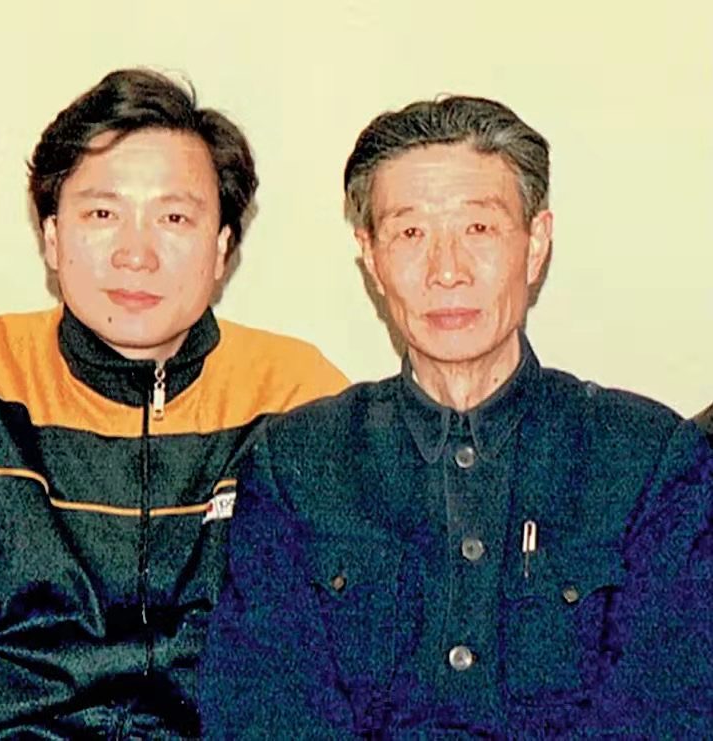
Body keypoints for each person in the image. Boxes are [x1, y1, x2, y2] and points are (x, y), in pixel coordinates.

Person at [0, 69, 347, 740]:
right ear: (52, 237)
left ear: (222, 247)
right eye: (103, 214)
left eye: (174, 218)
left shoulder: (299, 398)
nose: (136, 254)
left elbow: (347, 637)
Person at [200, 96, 713, 736]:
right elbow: (265, 711)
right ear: (371, 256)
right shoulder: (296, 463)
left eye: (479, 229)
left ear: (536, 244)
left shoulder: (649, 460)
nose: (447, 270)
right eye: (411, 233)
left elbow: (670, 708)